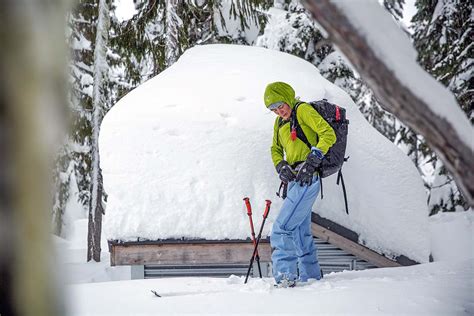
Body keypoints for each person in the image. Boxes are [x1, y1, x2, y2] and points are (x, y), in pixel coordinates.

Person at [264, 81, 336, 287]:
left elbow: (327, 134)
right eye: (273, 109)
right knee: (298, 232)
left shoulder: (302, 110)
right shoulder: (279, 123)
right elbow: (275, 149)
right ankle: (311, 276)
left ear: (287, 98)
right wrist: (281, 165)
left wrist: (313, 160)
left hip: (308, 177)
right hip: (294, 180)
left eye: (280, 105)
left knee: (281, 228)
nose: (279, 111)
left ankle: (285, 278)